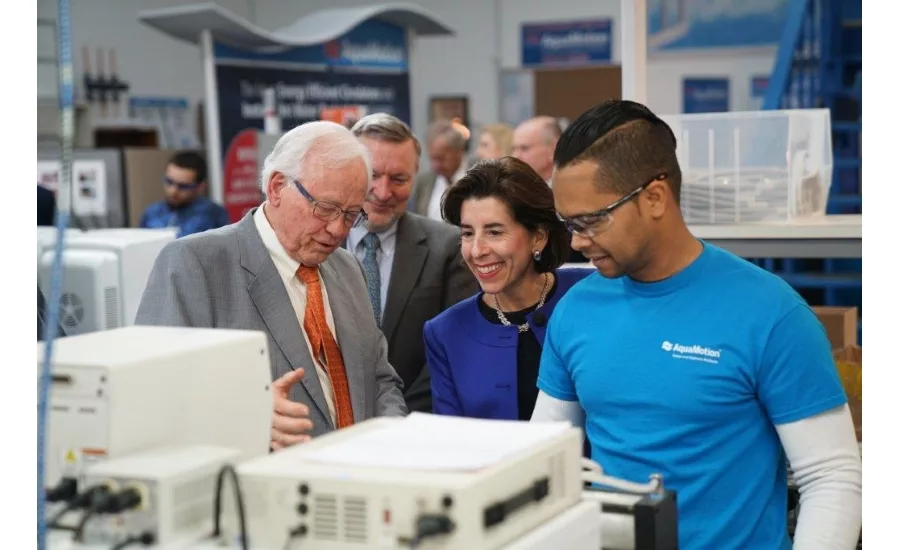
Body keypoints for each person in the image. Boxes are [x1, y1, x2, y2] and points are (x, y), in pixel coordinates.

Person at [532, 99, 862, 549]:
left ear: (653, 197)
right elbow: (543, 455)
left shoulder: (770, 314)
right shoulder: (576, 310)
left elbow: (832, 477)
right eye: (568, 222)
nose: (576, 240)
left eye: (592, 221)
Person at [135, 121, 407, 450]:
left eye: (351, 214)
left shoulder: (347, 268)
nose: (338, 230)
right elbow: (156, 396)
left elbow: (379, 378)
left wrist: (392, 442)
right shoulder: (195, 264)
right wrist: (247, 419)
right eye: (325, 209)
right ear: (277, 187)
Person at [424, 157, 593, 421]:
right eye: (468, 233)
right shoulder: (445, 331)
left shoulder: (588, 294)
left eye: (494, 232)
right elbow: (451, 441)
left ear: (538, 236)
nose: (477, 250)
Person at [347, 113, 478, 412]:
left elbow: (453, 352)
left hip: (415, 423)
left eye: (398, 179)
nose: (383, 192)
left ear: (416, 175)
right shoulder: (318, 244)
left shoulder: (448, 248)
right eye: (372, 175)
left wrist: (397, 419)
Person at [139, 151, 230, 237]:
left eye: (183, 186)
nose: (173, 191)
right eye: (169, 182)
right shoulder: (152, 213)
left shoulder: (212, 214)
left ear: (200, 187)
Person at [409, 120, 471, 220]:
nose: (435, 165)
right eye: (432, 158)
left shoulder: (478, 177)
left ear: (459, 152)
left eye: (441, 158)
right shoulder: (423, 181)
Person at [512, 116, 560, 184]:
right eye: (514, 149)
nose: (515, 156)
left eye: (524, 148)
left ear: (553, 149)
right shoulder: (515, 189)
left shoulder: (571, 190)